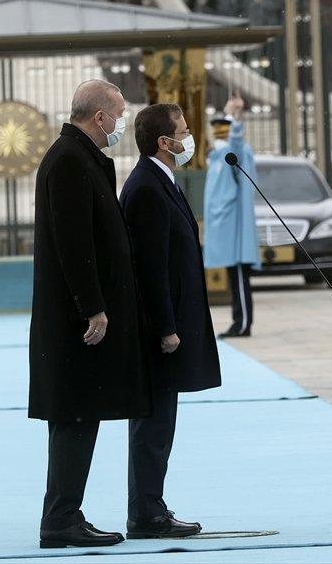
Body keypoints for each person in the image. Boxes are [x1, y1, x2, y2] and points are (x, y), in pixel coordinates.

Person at [29, 80, 150, 549]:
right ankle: (60, 519)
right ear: (99, 117)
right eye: (118, 113)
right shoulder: (68, 160)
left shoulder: (82, 157)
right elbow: (73, 242)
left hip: (78, 316)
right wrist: (93, 308)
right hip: (74, 321)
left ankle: (65, 513)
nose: (121, 122)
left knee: (80, 416)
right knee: (75, 417)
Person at [120, 103, 222, 538]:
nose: (189, 138)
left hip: (174, 322)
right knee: (153, 425)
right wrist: (165, 328)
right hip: (160, 330)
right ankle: (146, 513)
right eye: (183, 132)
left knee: (161, 422)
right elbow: (150, 268)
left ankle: (151, 505)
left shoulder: (163, 180)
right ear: (164, 142)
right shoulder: (146, 187)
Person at [203, 95, 260, 338]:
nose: (218, 131)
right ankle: (238, 321)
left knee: (239, 279)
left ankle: (243, 323)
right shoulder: (216, 158)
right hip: (225, 232)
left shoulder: (234, 154)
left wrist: (234, 116)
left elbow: (236, 143)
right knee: (234, 281)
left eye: (222, 127)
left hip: (235, 231)